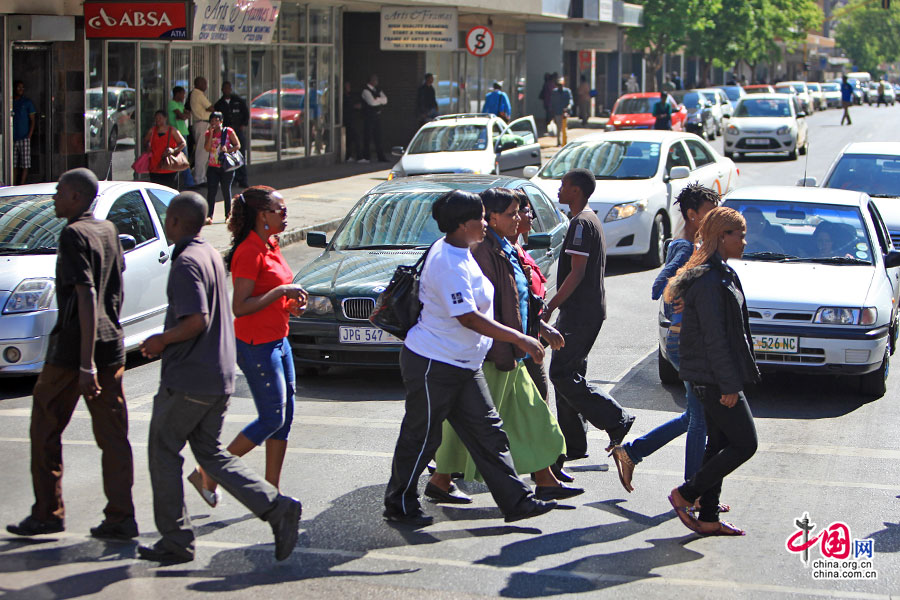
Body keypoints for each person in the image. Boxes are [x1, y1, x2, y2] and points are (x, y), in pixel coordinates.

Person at [135, 191, 302, 564]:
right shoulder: (211, 254)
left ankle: (177, 539)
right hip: (220, 373)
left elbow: (197, 320)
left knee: (163, 451)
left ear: (175, 222)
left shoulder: (186, 263)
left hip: (191, 377)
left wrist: (161, 339)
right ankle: (276, 508)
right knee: (210, 454)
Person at [383, 190, 558, 527]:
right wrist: (519, 337)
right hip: (435, 363)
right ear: (462, 224)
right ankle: (399, 502)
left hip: (464, 364)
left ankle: (517, 502)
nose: (484, 222)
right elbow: (468, 317)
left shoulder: (463, 250)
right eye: (480, 217)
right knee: (423, 436)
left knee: (489, 433)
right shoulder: (447, 260)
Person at [6, 168, 136, 540]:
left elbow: (87, 293)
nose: (54, 199)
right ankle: (121, 517)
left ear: (77, 198)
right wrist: (106, 335)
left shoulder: (74, 234)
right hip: (111, 345)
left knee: (44, 428)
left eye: (60, 193)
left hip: (72, 354)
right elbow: (116, 286)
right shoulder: (108, 230)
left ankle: (48, 513)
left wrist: (84, 364)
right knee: (113, 437)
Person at [426, 188, 579, 505]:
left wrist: (539, 328)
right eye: (511, 213)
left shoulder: (506, 247)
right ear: (491, 217)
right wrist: (518, 338)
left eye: (518, 212)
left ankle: (545, 479)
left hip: (512, 351)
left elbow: (517, 300)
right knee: (473, 426)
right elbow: (480, 310)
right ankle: (441, 479)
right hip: (494, 353)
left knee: (531, 415)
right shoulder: (482, 251)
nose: (520, 218)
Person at [189, 186, 306, 505]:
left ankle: (271, 491)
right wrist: (283, 291)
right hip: (255, 344)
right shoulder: (248, 252)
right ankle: (208, 473)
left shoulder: (272, 243)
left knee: (286, 415)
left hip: (279, 339)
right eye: (279, 210)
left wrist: (290, 305)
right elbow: (240, 306)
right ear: (261, 215)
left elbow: (273, 296)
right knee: (272, 418)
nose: (285, 214)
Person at [609, 184, 719, 498]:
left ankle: (632, 452)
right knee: (699, 420)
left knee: (695, 417)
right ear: (693, 214)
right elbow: (660, 286)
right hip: (683, 341)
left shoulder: (690, 243)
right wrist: (681, 289)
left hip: (681, 340)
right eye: (710, 212)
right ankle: (691, 493)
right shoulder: (685, 247)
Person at [665, 206, 759, 537]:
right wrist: (730, 385)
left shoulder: (721, 273)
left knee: (718, 444)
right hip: (712, 378)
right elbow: (714, 338)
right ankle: (686, 494)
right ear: (723, 236)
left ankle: (707, 516)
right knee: (746, 443)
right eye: (740, 235)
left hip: (716, 375)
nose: (745, 241)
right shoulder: (708, 279)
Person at [544, 169, 635, 473]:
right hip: (582, 310)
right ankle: (574, 444)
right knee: (569, 373)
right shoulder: (585, 219)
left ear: (577, 190)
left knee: (562, 373)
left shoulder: (582, 223)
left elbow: (577, 272)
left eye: (564, 185)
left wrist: (550, 305)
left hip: (581, 312)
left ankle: (615, 418)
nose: (559, 189)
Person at [203, 111, 240, 224]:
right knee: (211, 191)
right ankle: (209, 216)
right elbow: (207, 148)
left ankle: (228, 215)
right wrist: (211, 134)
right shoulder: (208, 133)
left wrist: (227, 150)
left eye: (216, 120)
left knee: (225, 190)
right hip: (212, 166)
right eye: (212, 121)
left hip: (225, 166)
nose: (214, 123)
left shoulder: (228, 132)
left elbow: (238, 145)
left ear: (221, 121)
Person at [214, 81, 250, 187]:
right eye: (225, 88)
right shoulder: (219, 104)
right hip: (226, 134)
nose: (227, 90)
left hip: (237, 131)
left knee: (241, 155)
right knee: (228, 156)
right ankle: (232, 180)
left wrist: (243, 124)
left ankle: (243, 180)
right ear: (222, 90)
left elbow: (246, 113)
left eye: (229, 88)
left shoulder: (238, 101)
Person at [143, 109, 187, 189]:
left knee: (170, 190)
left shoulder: (172, 130)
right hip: (154, 167)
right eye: (156, 118)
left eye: (160, 118)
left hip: (169, 167)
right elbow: (145, 141)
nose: (158, 120)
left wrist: (173, 150)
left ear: (165, 118)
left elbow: (183, 143)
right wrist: (147, 147)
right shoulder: (152, 131)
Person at [168, 86, 196, 188]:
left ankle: (187, 181)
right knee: (183, 158)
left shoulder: (180, 104)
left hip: (183, 132)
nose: (184, 96)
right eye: (183, 93)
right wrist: (183, 116)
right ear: (177, 94)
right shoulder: (172, 104)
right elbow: (182, 116)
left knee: (185, 157)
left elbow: (187, 115)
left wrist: (183, 115)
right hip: (176, 133)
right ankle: (189, 183)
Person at [189, 77, 215, 185]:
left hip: (202, 123)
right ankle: (199, 179)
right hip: (202, 123)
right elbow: (210, 108)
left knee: (204, 153)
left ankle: (202, 177)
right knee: (201, 153)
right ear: (198, 84)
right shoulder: (198, 94)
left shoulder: (194, 94)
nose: (206, 86)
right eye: (204, 83)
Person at [13, 80, 37, 186]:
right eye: (18, 88)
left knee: (25, 163)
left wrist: (29, 136)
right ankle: (12, 184)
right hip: (12, 138)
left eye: (22, 88)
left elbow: (32, 120)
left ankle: (21, 185)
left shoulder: (27, 102)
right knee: (13, 163)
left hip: (24, 137)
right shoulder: (10, 102)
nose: (20, 90)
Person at [360, 74, 388, 163]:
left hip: (377, 116)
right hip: (369, 116)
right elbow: (371, 102)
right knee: (367, 136)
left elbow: (385, 100)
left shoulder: (377, 90)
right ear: (371, 81)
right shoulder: (365, 90)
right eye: (375, 80)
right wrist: (379, 100)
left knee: (378, 136)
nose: (377, 81)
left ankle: (381, 156)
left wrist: (378, 99)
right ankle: (366, 156)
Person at [550, 77, 573, 147]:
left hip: (565, 113)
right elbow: (552, 102)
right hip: (557, 112)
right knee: (558, 128)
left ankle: (565, 142)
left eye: (561, 85)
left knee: (565, 128)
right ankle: (559, 142)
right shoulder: (554, 92)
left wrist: (569, 107)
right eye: (559, 85)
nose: (560, 86)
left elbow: (571, 100)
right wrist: (552, 112)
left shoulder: (567, 91)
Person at [343, 81, 361, 162]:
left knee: (353, 138)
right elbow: (344, 107)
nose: (348, 87)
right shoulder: (343, 96)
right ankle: (349, 156)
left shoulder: (351, 96)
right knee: (351, 138)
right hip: (347, 120)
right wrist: (353, 106)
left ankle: (354, 156)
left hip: (352, 119)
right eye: (347, 86)